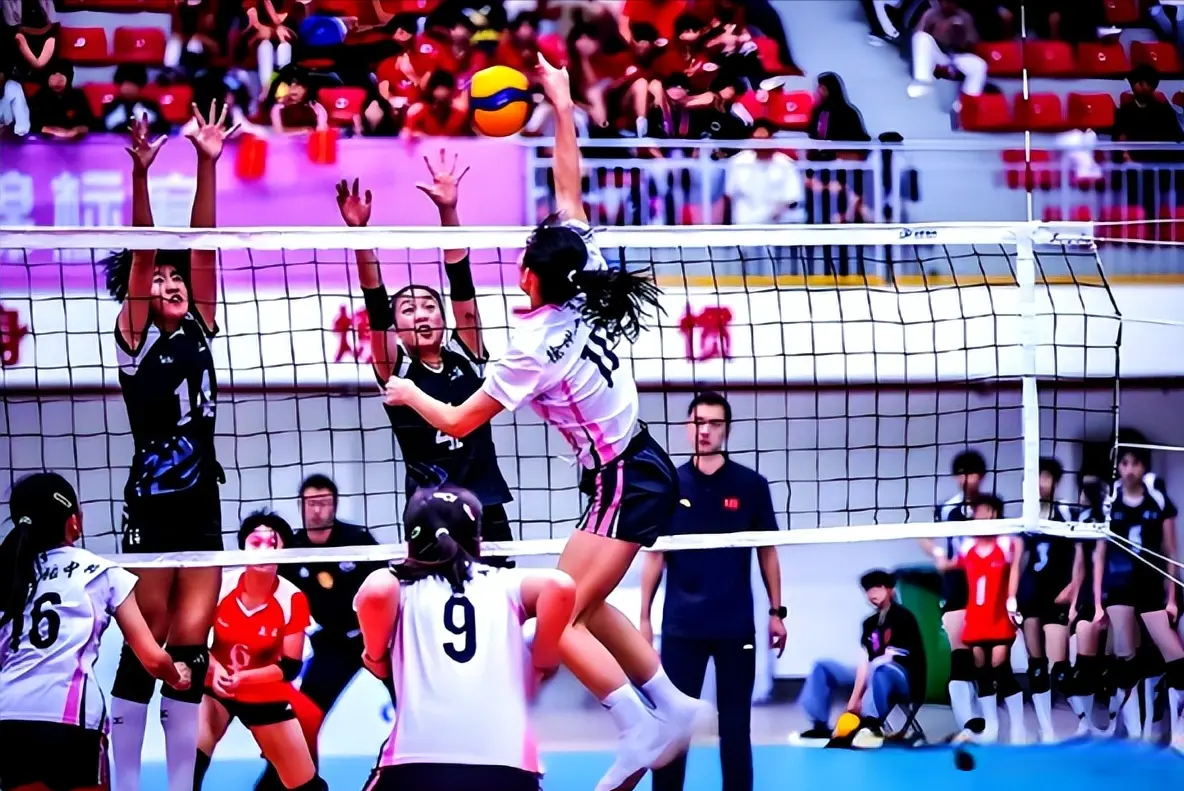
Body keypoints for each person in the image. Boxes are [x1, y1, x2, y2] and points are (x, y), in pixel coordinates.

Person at [381, 54, 706, 791]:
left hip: (624, 475)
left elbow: (458, 420)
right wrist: (561, 104)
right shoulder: (584, 274)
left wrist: (406, 393)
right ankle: (671, 704)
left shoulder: (531, 347)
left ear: (530, 274)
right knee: (581, 602)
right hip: (632, 466)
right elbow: (569, 186)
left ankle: (638, 724)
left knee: (555, 617)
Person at [106, 105, 234, 791]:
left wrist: (208, 162)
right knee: (146, 643)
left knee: (190, 649)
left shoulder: (200, 326)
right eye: (158, 279)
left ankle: (182, 785)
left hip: (202, 500)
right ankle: (128, 784)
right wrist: (141, 175)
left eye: (175, 277)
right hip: (153, 503)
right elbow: (143, 253)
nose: (170, 282)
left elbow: (202, 247)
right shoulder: (134, 338)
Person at [336, 150, 516, 563]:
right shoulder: (396, 370)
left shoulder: (468, 354)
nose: (421, 314)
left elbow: (462, 285)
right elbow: (375, 304)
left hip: (486, 502)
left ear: (443, 317)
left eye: (429, 306)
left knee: (500, 591)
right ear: (397, 328)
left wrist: (448, 210)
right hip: (430, 509)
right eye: (409, 309)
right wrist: (360, 236)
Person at [353, 484, 577, 791]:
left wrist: (374, 656)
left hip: (416, 762)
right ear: (478, 540)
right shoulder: (504, 583)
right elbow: (560, 586)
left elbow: (376, 591)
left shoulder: (402, 587)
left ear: (410, 544)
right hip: (507, 765)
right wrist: (544, 659)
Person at [0, 472, 188, 791]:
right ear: (73, 521)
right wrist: (176, 675)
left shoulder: (9, 573)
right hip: (70, 720)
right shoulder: (101, 571)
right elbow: (153, 659)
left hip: (8, 718)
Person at [640, 391, 786, 791]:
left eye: (714, 423)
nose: (705, 430)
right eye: (698, 422)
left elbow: (767, 551)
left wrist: (777, 612)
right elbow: (654, 555)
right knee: (674, 725)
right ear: (687, 427)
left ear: (727, 430)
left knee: (736, 727)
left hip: (735, 627)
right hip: (681, 628)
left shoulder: (751, 485)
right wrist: (644, 619)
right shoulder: (668, 485)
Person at [252, 474, 383, 791]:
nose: (317, 510)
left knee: (408, 704)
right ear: (301, 507)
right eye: (311, 503)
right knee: (302, 716)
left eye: (324, 503)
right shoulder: (292, 549)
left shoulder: (358, 540)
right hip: (332, 642)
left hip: (373, 638)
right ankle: (287, 783)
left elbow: (386, 587)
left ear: (334, 506)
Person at [195, 511, 325, 791]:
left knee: (307, 787)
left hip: (264, 692)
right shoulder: (221, 584)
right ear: (243, 548)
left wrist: (243, 679)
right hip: (215, 687)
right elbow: (195, 642)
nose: (264, 550)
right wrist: (216, 670)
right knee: (189, 766)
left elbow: (289, 667)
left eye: (272, 543)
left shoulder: (292, 598)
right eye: (256, 543)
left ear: (284, 551)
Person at [1094, 446, 1184, 743]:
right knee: (1125, 659)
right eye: (1124, 463)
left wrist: (1172, 598)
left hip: (1151, 585)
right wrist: (1097, 603)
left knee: (1177, 659)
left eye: (1135, 463)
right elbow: (1099, 553)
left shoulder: (1158, 499)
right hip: (1119, 587)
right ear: (1118, 467)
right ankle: (1133, 733)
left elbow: (1171, 551)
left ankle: (1178, 732)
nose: (1130, 469)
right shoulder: (1110, 501)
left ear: (1143, 467)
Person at [935, 495, 1025, 744]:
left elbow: (1015, 569)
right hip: (976, 615)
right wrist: (931, 547)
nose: (979, 515)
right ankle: (991, 727)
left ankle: (1018, 728)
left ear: (994, 513)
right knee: (982, 670)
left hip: (999, 614)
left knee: (1000, 667)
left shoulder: (1008, 542)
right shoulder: (968, 546)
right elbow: (951, 566)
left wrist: (1012, 600)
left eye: (984, 510)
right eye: (977, 511)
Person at [796, 570, 926, 740]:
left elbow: (887, 659)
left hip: (903, 678)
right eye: (867, 590)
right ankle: (819, 724)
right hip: (873, 673)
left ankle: (870, 724)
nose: (871, 594)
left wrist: (860, 699)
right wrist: (853, 700)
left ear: (890, 590)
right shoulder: (869, 623)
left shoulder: (904, 618)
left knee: (880, 667)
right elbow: (864, 660)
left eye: (877, 588)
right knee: (822, 667)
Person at [921, 449, 985, 732]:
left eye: (971, 473)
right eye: (961, 474)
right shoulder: (947, 508)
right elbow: (925, 536)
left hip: (984, 582)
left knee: (983, 653)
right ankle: (966, 721)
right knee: (959, 651)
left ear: (981, 476)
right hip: (956, 582)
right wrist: (939, 555)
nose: (966, 479)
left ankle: (986, 716)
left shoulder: (989, 507)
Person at [1016, 456, 1076, 742]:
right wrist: (1012, 597)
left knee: (1060, 667)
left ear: (1055, 481)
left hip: (1057, 596)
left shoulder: (1066, 512)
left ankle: (1085, 722)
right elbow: (1019, 560)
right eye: (1036, 478)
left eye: (1046, 477)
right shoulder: (1024, 516)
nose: (1041, 483)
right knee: (1036, 664)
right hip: (1030, 596)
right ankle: (1046, 728)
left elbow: (1080, 555)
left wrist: (1073, 588)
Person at [1066, 477, 1109, 735]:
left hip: (1110, 593)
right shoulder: (1080, 520)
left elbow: (1098, 560)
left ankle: (1106, 723)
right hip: (1087, 598)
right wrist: (1073, 604)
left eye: (1083, 491)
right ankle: (1087, 722)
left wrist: (1099, 604)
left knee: (1110, 664)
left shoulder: (1106, 518)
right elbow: (1079, 565)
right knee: (1080, 665)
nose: (1080, 495)